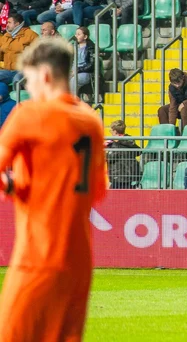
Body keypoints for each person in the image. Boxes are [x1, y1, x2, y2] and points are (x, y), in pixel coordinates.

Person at [0, 37, 106, 341]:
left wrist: (13, 184)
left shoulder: (29, 115)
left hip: (39, 255)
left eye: (30, 80)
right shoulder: (91, 120)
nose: (29, 88)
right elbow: (96, 190)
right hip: (79, 263)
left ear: (44, 75)